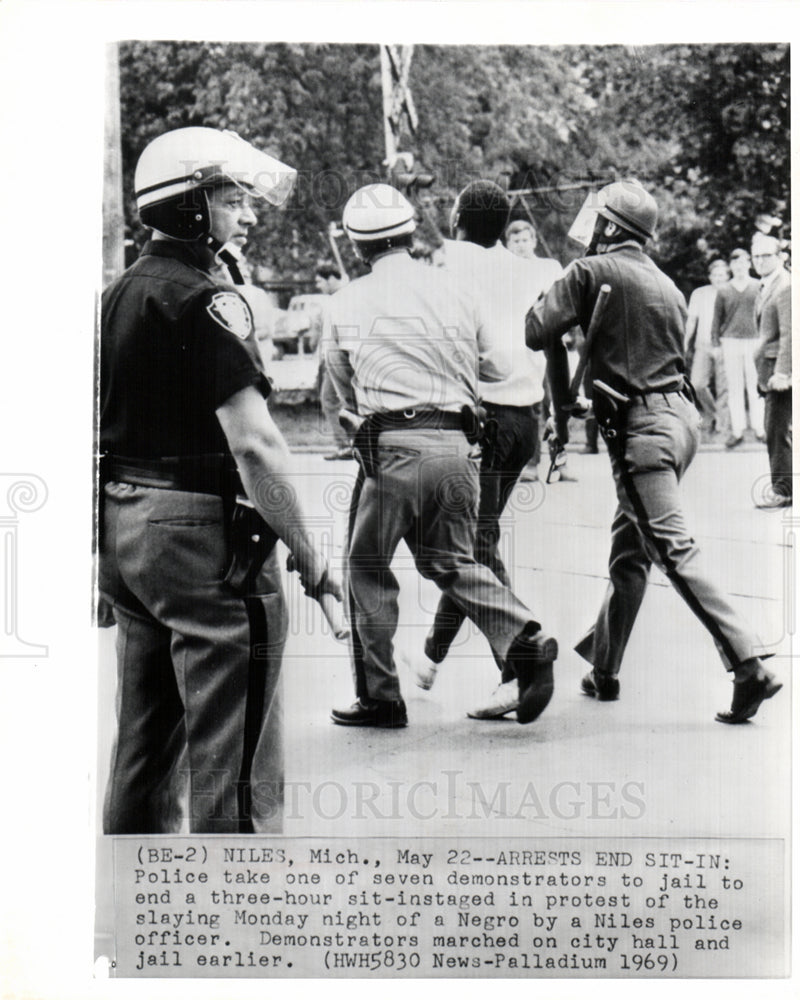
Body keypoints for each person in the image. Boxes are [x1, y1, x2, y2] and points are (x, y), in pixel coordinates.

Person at [99, 127, 340, 834]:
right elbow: (257, 443)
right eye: (232, 198)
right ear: (192, 206)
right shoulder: (210, 298)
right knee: (236, 761)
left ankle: (135, 916)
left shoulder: (120, 292)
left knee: (145, 746)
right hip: (200, 539)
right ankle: (235, 928)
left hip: (128, 529)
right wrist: (310, 551)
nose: (247, 213)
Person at [526, 180, 781, 725]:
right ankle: (604, 667)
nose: (590, 230)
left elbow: (535, 329)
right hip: (679, 424)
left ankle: (747, 662)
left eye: (597, 222)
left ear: (611, 227)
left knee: (671, 549)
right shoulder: (665, 283)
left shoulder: (589, 272)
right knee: (630, 551)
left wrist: (566, 283)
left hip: (641, 433)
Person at [324, 183, 559, 728]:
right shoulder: (457, 291)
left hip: (392, 449)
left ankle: (381, 696)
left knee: (365, 566)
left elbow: (343, 392)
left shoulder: (344, 303)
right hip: (458, 446)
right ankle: (524, 635)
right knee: (451, 561)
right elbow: (498, 369)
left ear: (360, 249)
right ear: (411, 235)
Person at [418, 180, 562, 718]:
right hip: (525, 417)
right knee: (474, 542)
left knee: (467, 547)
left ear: (458, 222)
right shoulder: (532, 270)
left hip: (486, 419)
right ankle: (435, 655)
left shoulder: (454, 263)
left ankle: (522, 659)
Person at [504, 219, 563, 480]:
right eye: (515, 241)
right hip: (518, 344)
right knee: (532, 400)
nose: (520, 245)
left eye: (525, 240)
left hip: (548, 339)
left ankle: (561, 461)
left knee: (557, 400)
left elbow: (558, 301)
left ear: (534, 241)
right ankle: (531, 463)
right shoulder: (504, 270)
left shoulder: (547, 267)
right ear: (507, 244)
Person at [752, 232, 792, 508]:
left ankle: (784, 490)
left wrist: (783, 373)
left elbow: (791, 333)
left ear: (780, 257)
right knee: (776, 429)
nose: (760, 260)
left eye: (767, 255)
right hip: (768, 369)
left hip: (780, 373)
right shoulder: (766, 285)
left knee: (776, 430)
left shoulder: (786, 286)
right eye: (756, 255)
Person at [710, 248, 764, 448]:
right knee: (734, 388)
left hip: (754, 341)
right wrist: (715, 344)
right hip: (730, 341)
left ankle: (760, 429)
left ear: (749, 264)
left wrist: (764, 340)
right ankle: (737, 431)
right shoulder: (724, 290)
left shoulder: (758, 286)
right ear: (731, 267)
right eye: (735, 264)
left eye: (743, 263)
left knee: (755, 386)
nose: (740, 267)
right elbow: (716, 320)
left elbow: (764, 317)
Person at [685, 259, 731, 438]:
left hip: (725, 345)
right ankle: (713, 414)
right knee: (697, 384)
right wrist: (685, 342)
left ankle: (722, 425)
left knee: (723, 387)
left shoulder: (731, 292)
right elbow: (691, 321)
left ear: (727, 276)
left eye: (722, 274)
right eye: (715, 274)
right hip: (703, 345)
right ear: (710, 276)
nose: (719, 278)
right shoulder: (699, 293)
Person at [314, 263, 354, 460]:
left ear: (331, 278)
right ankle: (352, 444)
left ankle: (345, 445)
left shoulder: (343, 298)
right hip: (335, 356)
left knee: (329, 400)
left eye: (320, 281)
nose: (318, 285)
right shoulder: (344, 296)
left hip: (340, 357)